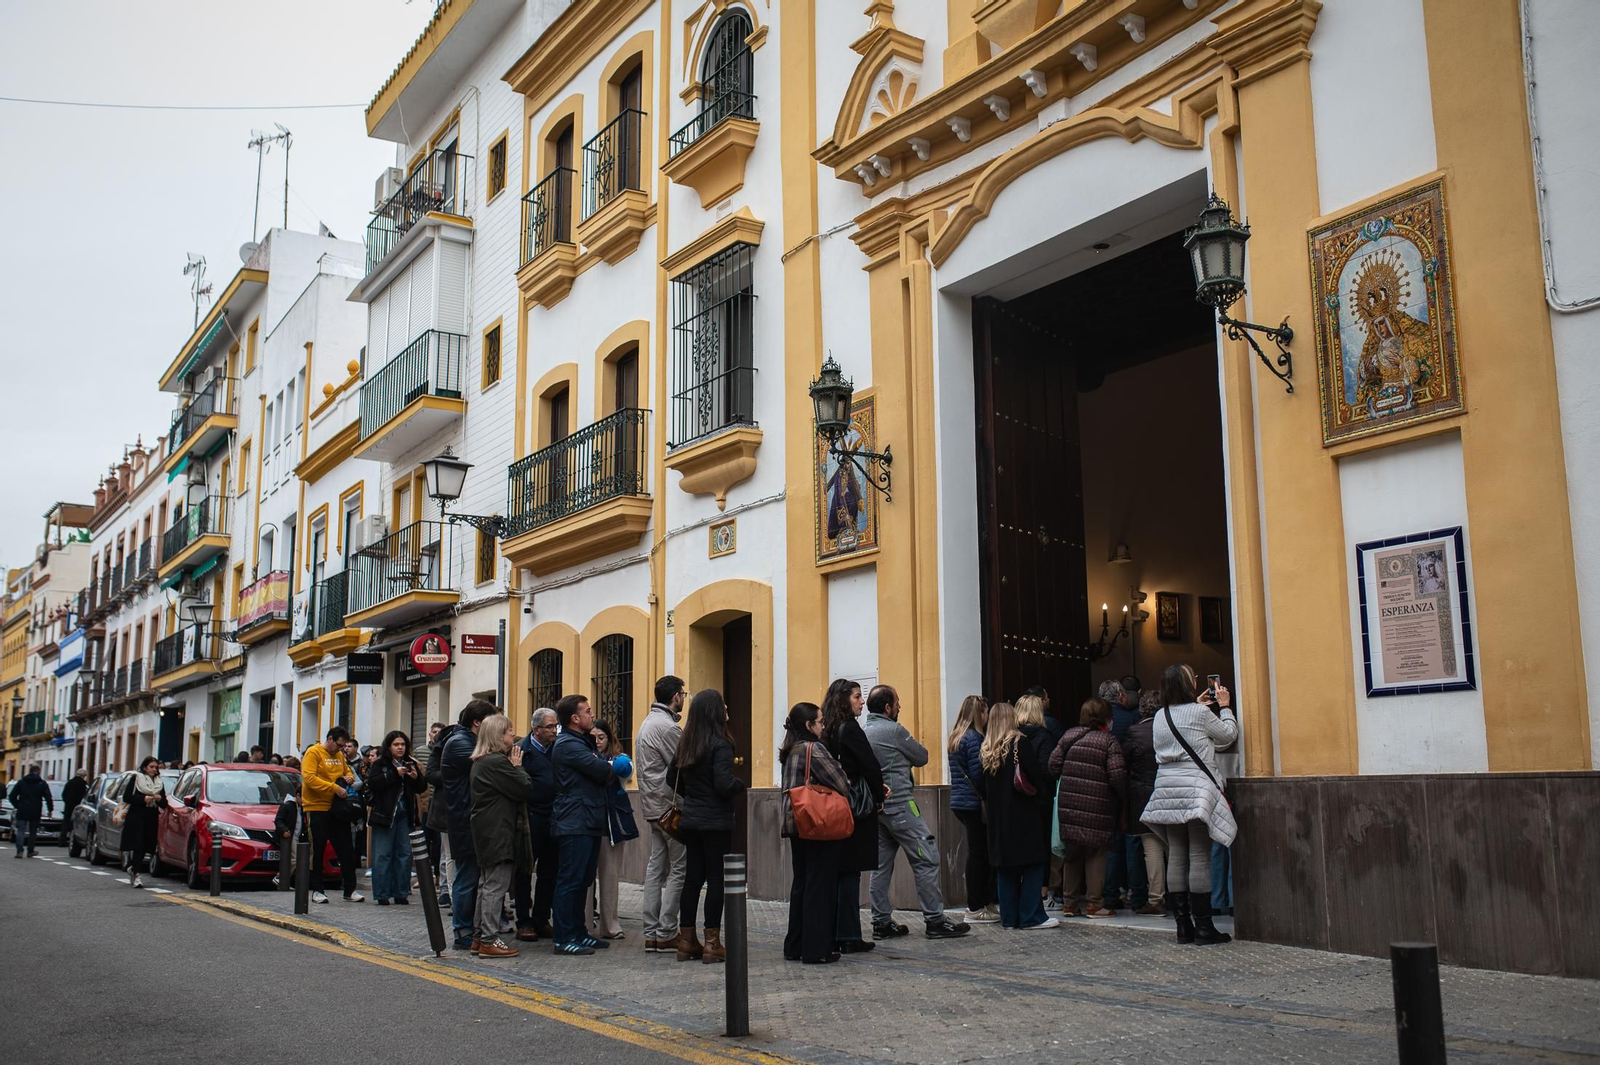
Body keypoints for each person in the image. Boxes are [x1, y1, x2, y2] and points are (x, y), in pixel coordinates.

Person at [861, 684, 969, 940]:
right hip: (901, 806)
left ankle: (880, 922)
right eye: (897, 702)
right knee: (926, 858)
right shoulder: (895, 730)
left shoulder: (865, 731)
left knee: (880, 866)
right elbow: (922, 756)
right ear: (887, 708)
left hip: (877, 809)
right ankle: (935, 920)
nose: (900, 706)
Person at [1141, 664, 1238, 946]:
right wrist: (1225, 707)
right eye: (1192, 677)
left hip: (1167, 791)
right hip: (1194, 789)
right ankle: (1205, 928)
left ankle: (1183, 927)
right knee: (1198, 855)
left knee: (1178, 855)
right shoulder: (1200, 713)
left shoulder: (1161, 715)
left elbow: (1183, 731)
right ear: (1187, 683)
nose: (1197, 680)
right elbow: (1227, 735)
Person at [668, 689, 746, 964]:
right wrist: (740, 784)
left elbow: (670, 778)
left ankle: (687, 941)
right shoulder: (721, 743)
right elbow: (724, 785)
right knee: (716, 880)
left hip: (691, 820)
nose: (727, 707)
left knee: (692, 879)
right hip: (715, 822)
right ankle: (713, 943)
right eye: (723, 704)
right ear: (714, 711)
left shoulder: (686, 742)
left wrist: (695, 798)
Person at [779, 702, 849, 964]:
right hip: (815, 823)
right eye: (820, 722)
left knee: (802, 883)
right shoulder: (813, 748)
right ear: (809, 726)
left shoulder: (790, 749)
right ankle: (816, 948)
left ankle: (795, 945)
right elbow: (841, 782)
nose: (823, 726)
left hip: (795, 822)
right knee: (820, 885)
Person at [977, 703, 1056, 930]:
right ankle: (1031, 916)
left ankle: (1009, 918)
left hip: (997, 818)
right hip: (1022, 815)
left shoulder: (986, 748)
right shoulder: (1020, 743)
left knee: (1006, 869)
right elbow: (1036, 777)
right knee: (1032, 865)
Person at [550, 693, 618, 957]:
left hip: (587, 818)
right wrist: (607, 766)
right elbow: (603, 771)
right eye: (588, 711)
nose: (593, 715)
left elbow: (602, 768)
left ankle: (579, 932)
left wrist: (605, 766)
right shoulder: (568, 744)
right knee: (570, 880)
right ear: (575, 718)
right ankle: (563, 936)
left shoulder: (581, 741)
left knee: (583, 880)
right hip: (573, 820)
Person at [1048, 697, 1128, 919]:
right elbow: (1117, 775)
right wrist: (1122, 799)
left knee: (1072, 855)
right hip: (1098, 805)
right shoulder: (1108, 742)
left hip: (1069, 805)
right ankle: (1094, 904)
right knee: (1096, 854)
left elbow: (1053, 765)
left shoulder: (1069, 736)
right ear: (1105, 717)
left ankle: (1069, 903)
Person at [822, 678, 884, 953]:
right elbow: (870, 766)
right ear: (844, 700)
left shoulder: (828, 729)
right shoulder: (851, 729)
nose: (862, 701)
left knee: (840, 871)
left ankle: (838, 931)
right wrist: (879, 797)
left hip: (836, 806)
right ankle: (848, 934)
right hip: (856, 807)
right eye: (858, 697)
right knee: (850, 872)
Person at [468, 713, 533, 958]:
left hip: (488, 829)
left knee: (486, 884)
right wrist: (518, 767)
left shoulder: (481, 761)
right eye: (508, 732)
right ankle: (489, 939)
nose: (512, 736)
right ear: (498, 736)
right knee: (496, 886)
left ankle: (479, 937)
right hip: (498, 830)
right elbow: (524, 787)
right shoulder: (496, 762)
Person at [636, 675, 689, 954]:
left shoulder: (647, 723)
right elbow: (681, 766)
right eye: (684, 694)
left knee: (656, 868)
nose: (684, 699)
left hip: (652, 806)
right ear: (676, 696)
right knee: (679, 868)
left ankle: (651, 931)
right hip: (670, 807)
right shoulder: (667, 727)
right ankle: (667, 930)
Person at [439, 701, 497, 949]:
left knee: (473, 876)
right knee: (466, 876)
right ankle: (462, 932)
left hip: (472, 817)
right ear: (477, 722)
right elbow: (488, 766)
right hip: (465, 819)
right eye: (492, 722)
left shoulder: (465, 740)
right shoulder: (459, 743)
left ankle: (470, 929)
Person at [585, 720, 639, 941]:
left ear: (609, 739)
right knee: (586, 879)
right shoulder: (580, 757)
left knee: (610, 876)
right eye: (593, 738)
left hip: (611, 826)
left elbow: (625, 769)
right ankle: (585, 924)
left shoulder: (618, 759)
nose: (597, 742)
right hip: (588, 824)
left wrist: (601, 764)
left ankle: (610, 925)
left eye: (601, 737)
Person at [946, 695, 998, 923]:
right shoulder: (974, 738)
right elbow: (978, 774)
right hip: (973, 802)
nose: (987, 717)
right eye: (985, 712)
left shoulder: (956, 737)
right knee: (979, 855)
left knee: (976, 853)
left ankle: (980, 903)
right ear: (980, 714)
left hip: (960, 800)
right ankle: (976, 906)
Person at [301, 726, 363, 904]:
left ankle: (350, 889)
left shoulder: (339, 756)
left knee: (345, 848)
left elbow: (347, 770)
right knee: (318, 848)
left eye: (344, 746)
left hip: (338, 808)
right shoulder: (314, 753)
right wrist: (334, 788)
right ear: (330, 739)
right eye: (339, 745)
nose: (341, 749)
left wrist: (349, 777)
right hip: (317, 807)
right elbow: (309, 778)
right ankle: (317, 890)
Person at [513, 708, 559, 942]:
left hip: (554, 817)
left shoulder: (558, 748)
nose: (554, 731)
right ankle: (523, 921)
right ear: (536, 729)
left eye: (555, 726)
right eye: (550, 727)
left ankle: (542, 918)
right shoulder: (521, 750)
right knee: (523, 872)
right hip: (530, 819)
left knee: (549, 872)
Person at [1101, 675, 1147, 912]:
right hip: (1129, 787)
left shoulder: (1096, 722)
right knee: (1133, 842)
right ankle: (1138, 896)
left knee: (1111, 846)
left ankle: (1109, 897)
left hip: (1103, 790)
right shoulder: (1133, 719)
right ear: (1121, 696)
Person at [366, 730, 427, 905]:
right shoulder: (380, 764)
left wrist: (415, 778)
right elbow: (373, 783)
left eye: (403, 745)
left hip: (405, 815)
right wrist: (395, 774)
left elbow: (421, 788)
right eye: (396, 745)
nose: (400, 748)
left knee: (404, 854)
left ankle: (401, 892)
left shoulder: (411, 763)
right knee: (382, 855)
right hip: (384, 815)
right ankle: (382, 894)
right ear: (389, 746)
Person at [1123, 689, 1168, 916]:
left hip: (1143, 795)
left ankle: (1155, 899)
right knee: (1179, 847)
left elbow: (1126, 762)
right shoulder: (1170, 728)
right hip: (1170, 791)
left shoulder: (1134, 731)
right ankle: (1185, 895)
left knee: (1152, 850)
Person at [120, 757, 166, 888]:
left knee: (146, 847)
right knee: (138, 845)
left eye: (156, 767)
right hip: (137, 816)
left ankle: (133, 868)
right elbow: (127, 797)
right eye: (151, 766)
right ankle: (137, 876)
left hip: (151, 817)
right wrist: (143, 799)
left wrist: (158, 799)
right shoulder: (136, 779)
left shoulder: (159, 782)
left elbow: (164, 803)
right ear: (144, 767)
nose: (154, 769)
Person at [424, 720, 455, 914]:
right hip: (444, 811)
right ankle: (449, 894)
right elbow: (431, 776)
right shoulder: (439, 751)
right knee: (447, 855)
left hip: (453, 810)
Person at [273, 776, 302, 888]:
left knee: (297, 859)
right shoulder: (287, 806)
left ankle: (285, 881)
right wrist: (284, 830)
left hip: (297, 836)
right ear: (298, 796)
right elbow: (278, 820)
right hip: (291, 836)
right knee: (295, 859)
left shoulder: (302, 808)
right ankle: (280, 878)